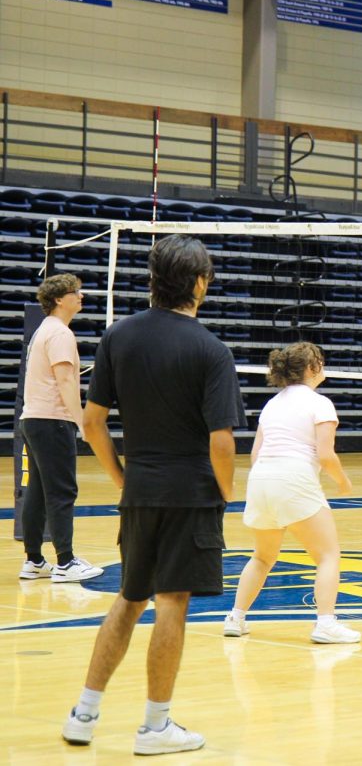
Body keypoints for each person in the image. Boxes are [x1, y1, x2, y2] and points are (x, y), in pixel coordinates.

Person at [62, 235, 245, 755]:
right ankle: (155, 727)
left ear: (152, 281)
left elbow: (92, 423)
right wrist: (225, 493)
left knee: (129, 598)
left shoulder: (118, 337)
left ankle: (84, 713)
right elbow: (222, 441)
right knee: (172, 604)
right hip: (190, 494)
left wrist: (123, 478)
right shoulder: (211, 350)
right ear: (200, 284)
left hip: (140, 490)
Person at [223, 341, 359, 644]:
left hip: (261, 480)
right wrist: (343, 481)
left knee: (262, 557)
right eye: (320, 361)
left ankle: (236, 617)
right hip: (293, 478)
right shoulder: (320, 403)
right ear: (312, 368)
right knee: (327, 555)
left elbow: (256, 455)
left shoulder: (272, 404)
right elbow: (326, 455)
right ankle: (325, 623)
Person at [18, 273, 103, 583]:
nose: (81, 296)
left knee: (38, 493)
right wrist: (81, 421)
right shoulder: (60, 334)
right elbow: (65, 379)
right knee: (62, 491)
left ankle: (34, 560)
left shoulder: (46, 330)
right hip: (52, 420)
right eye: (75, 292)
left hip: (33, 419)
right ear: (58, 298)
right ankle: (65, 562)